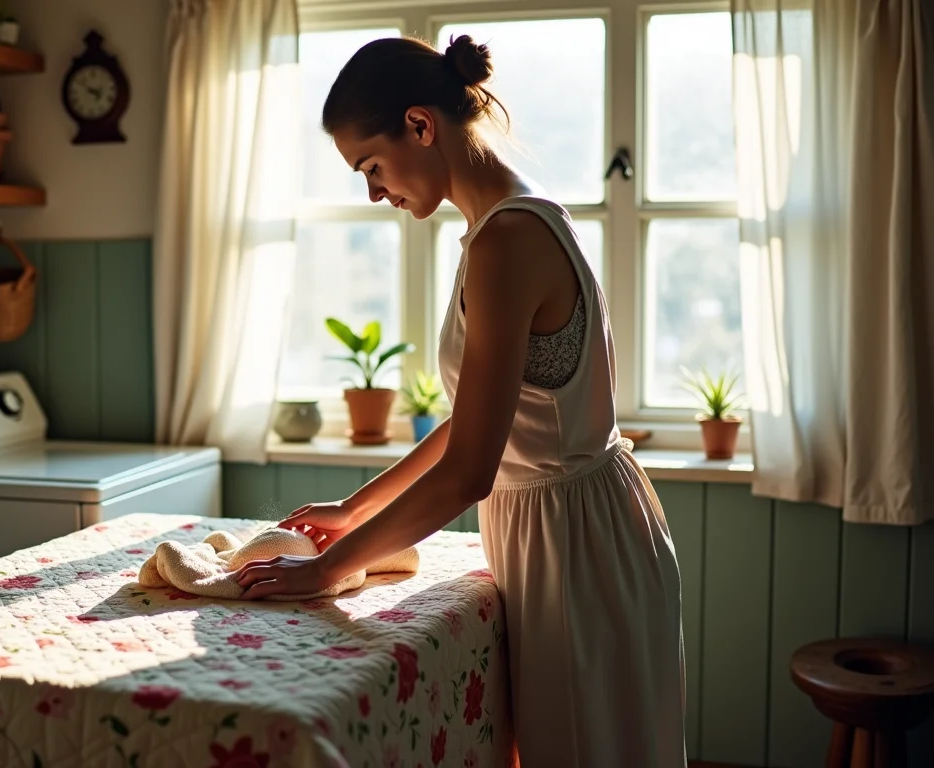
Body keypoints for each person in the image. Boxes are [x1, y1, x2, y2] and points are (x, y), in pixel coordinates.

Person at [235, 34, 686, 767]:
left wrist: (325, 570)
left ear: (420, 125)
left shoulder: (509, 241)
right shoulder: (501, 226)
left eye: (370, 166)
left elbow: (473, 469)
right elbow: (477, 424)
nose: (374, 193)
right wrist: (356, 509)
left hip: (576, 549)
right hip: (577, 529)